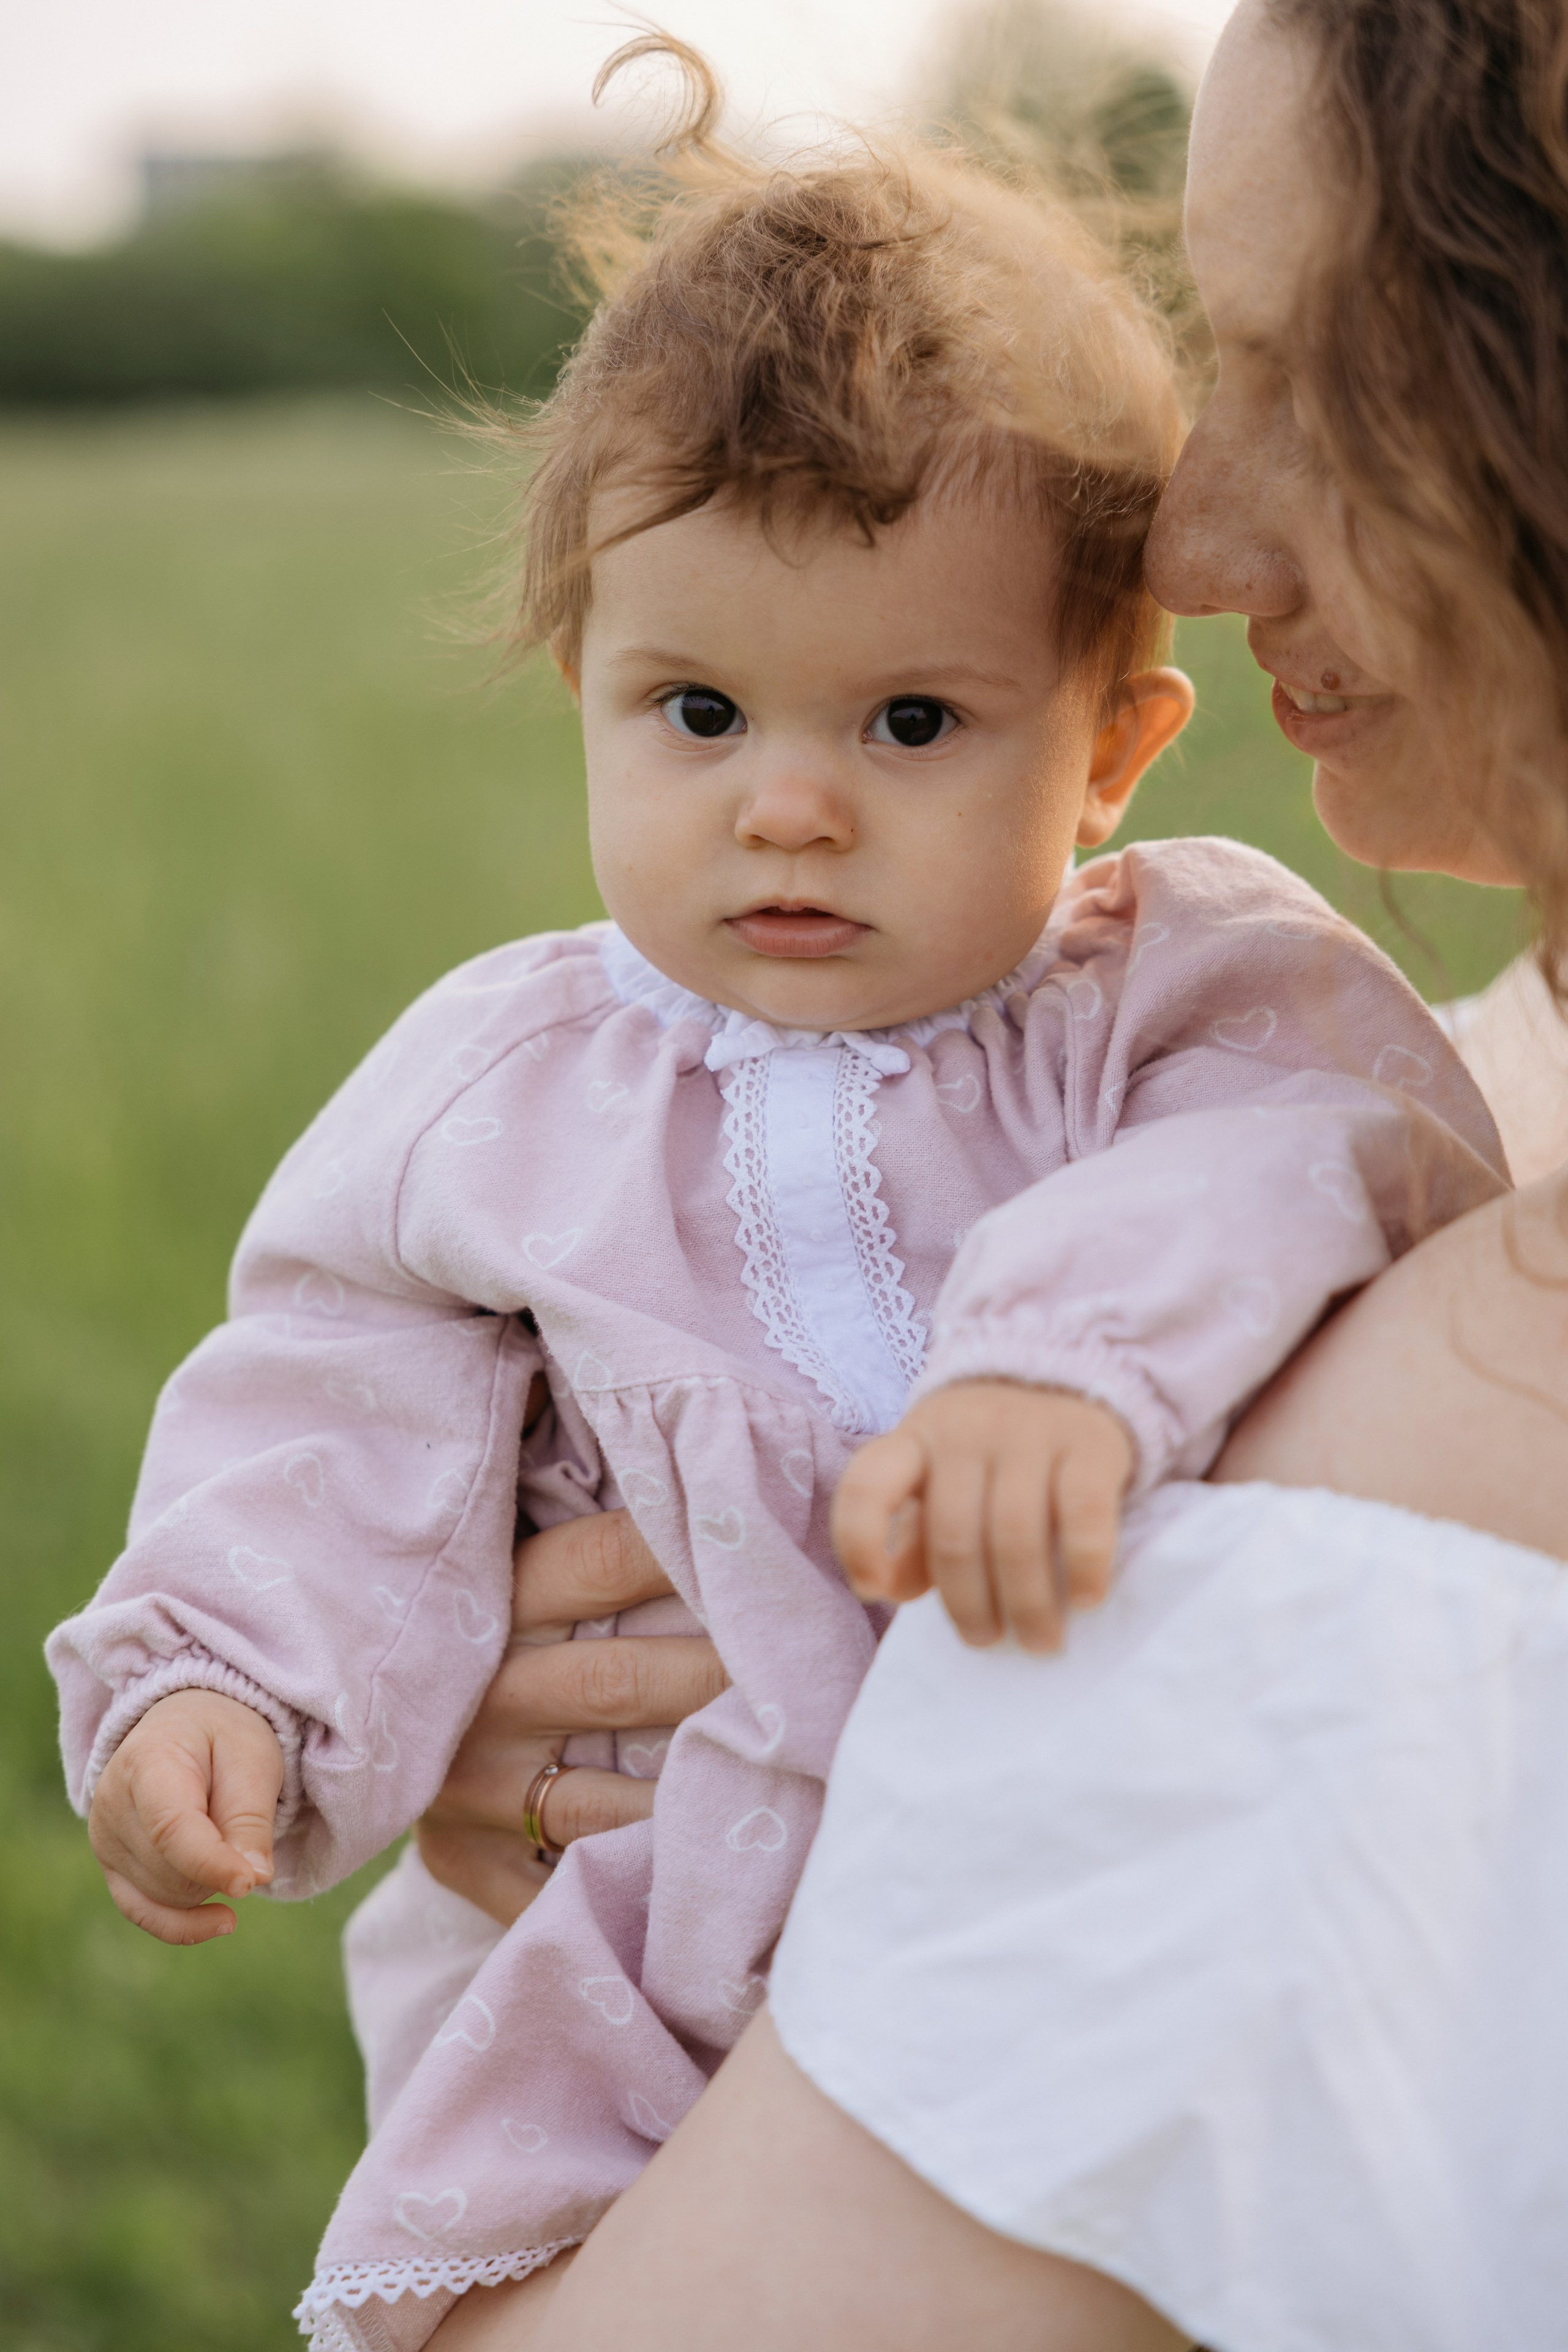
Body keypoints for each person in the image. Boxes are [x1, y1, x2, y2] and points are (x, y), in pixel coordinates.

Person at [45, 32, 1512, 2352]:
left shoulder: (1193, 992)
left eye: (912, 724)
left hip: (1027, 1946)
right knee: (521, 2218)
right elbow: (329, 1390)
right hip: (627, 1941)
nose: (791, 808)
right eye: (699, 714)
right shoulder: (506, 1086)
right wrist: (224, 1675)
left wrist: (1060, 1365)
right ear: (585, 685)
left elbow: (1305, 1152)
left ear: (1113, 750)